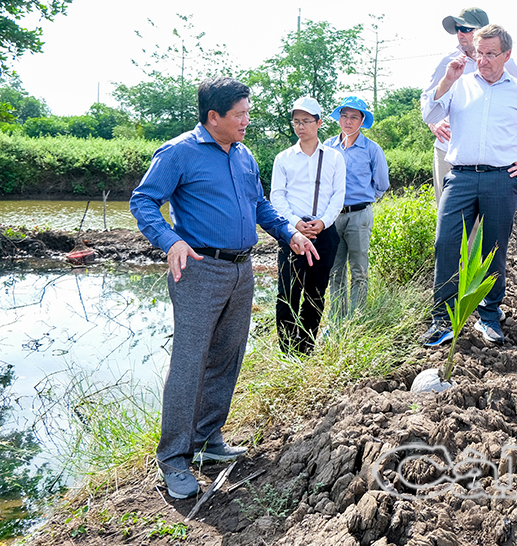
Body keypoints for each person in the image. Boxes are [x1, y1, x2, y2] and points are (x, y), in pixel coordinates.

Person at [130, 77, 319, 500]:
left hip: (241, 268)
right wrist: (170, 240)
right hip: (198, 267)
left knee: (227, 355)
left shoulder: (244, 153)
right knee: (189, 362)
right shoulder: (179, 152)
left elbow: (259, 205)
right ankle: (174, 459)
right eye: (240, 115)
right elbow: (143, 200)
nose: (247, 121)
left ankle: (207, 440)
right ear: (213, 116)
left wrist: (287, 232)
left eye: (248, 113)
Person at [420, 23, 517, 347]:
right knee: (446, 243)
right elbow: (430, 111)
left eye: (491, 54)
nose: (484, 60)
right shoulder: (460, 84)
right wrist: (447, 81)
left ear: (507, 55)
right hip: (461, 176)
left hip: (500, 179)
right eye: (480, 54)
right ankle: (443, 319)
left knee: (493, 250)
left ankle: (489, 316)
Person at [269, 97, 346, 354]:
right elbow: (277, 195)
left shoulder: (334, 158)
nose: (300, 126)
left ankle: (306, 349)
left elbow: (338, 195)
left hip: (324, 233)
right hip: (292, 233)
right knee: (287, 292)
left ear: (319, 123)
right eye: (296, 122)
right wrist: (295, 224)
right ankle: (288, 352)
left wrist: (322, 223)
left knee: (315, 293)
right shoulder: (284, 158)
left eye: (306, 121)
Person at [423, 7, 517, 202]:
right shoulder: (448, 62)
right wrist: (432, 123)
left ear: (483, 31)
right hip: (447, 148)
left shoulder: (506, 65)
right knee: (447, 215)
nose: (460, 33)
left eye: (466, 28)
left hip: (488, 157)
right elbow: (427, 98)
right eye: (458, 28)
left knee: (483, 221)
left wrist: (506, 143)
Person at [325, 96, 389, 321]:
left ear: (362, 121)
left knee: (359, 269)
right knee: (335, 270)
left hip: (360, 215)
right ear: (338, 118)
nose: (348, 121)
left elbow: (381, 184)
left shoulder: (372, 149)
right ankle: (336, 319)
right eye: (344, 116)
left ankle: (357, 319)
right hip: (332, 217)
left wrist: (364, 202)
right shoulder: (327, 147)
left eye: (354, 117)